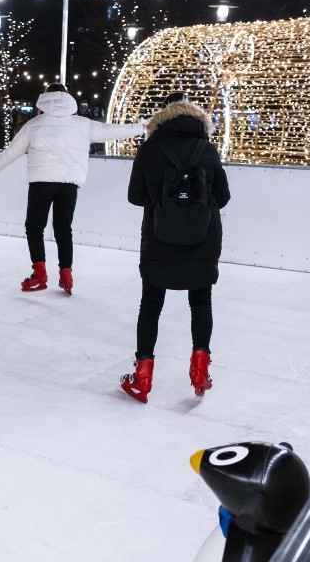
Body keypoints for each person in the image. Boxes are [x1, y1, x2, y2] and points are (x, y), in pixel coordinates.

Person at [120, 92, 231, 404]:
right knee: (201, 302)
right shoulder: (207, 149)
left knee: (151, 305)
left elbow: (134, 196)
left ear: (163, 118)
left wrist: (164, 202)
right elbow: (222, 196)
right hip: (202, 238)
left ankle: (142, 377)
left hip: (159, 238)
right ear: (197, 120)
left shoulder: (149, 148)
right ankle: (200, 370)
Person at [0, 83, 145, 295]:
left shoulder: (34, 124)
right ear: (68, 98)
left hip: (41, 182)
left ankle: (40, 274)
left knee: (34, 227)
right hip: (68, 184)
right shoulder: (83, 124)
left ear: (45, 98)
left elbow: (14, 149)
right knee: (63, 229)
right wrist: (141, 127)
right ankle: (66, 274)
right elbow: (111, 131)